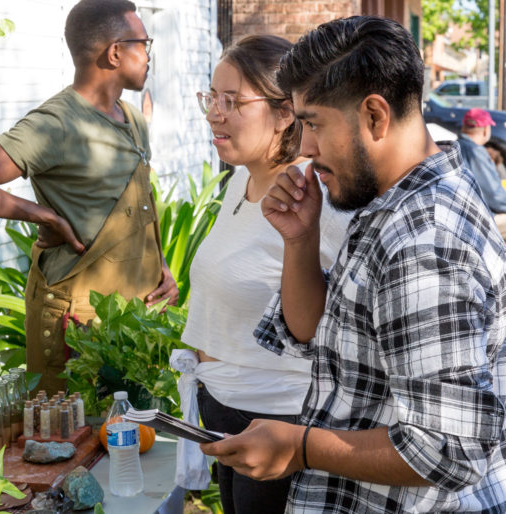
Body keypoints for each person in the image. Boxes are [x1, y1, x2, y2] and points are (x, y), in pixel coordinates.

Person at [200, 16, 506, 512]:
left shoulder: (423, 241)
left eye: (314, 123)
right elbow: (316, 334)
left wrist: (300, 447)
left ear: (375, 116)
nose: (304, 147)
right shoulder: (388, 203)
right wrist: (300, 241)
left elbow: (448, 448)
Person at [0, 0, 177, 393]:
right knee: (70, 439)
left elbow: (138, 202)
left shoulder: (132, 119)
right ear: (115, 52)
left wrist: (160, 267)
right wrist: (43, 217)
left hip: (134, 318)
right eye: (144, 43)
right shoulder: (57, 124)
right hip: (78, 323)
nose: (149, 55)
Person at [181, 34, 350, 514]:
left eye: (232, 100)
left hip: (279, 423)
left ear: (283, 113)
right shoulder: (242, 177)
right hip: (223, 409)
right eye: (211, 97)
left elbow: (333, 318)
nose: (215, 112)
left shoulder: (312, 195)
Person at [458, 107, 506, 238]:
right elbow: (495, 196)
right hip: (478, 219)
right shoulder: (475, 152)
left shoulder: (456, 146)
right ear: (486, 130)